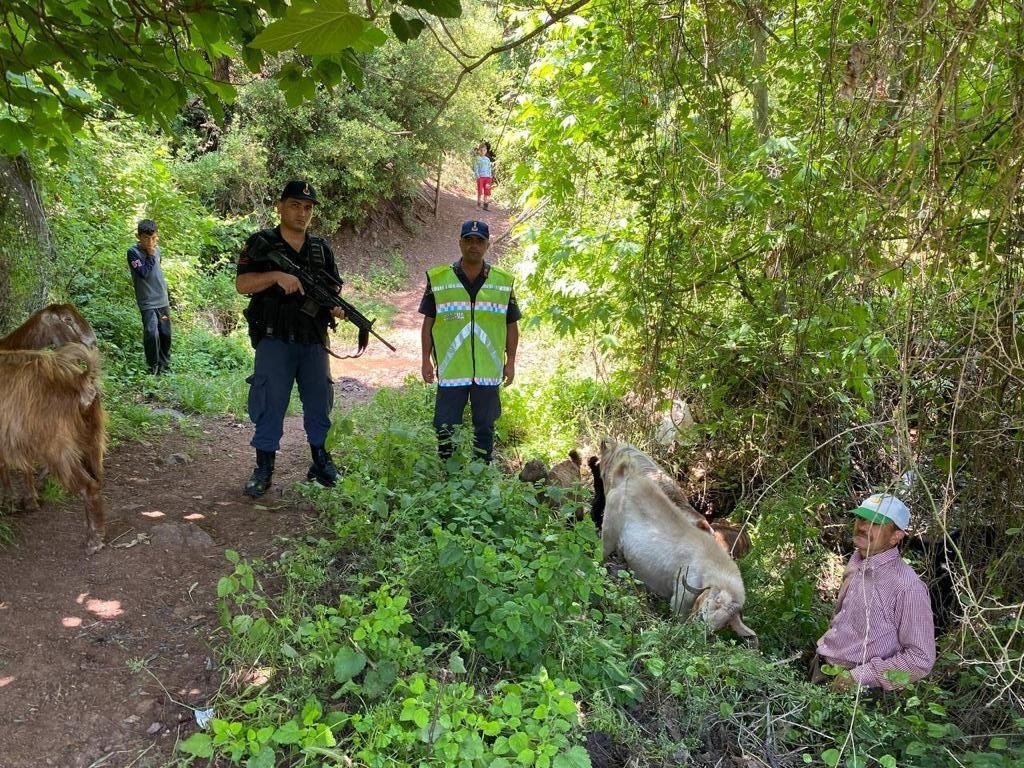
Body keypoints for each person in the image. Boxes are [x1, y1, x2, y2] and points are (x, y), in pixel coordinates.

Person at [236, 180, 345, 497]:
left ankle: (321, 461)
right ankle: (264, 468)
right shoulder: (260, 244)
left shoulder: (321, 249)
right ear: (280, 206)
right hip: (274, 339)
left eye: (308, 207)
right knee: (270, 401)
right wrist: (276, 276)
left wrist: (334, 306)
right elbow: (242, 284)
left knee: (318, 402)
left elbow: (333, 289)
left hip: (312, 339)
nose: (302, 212)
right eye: (295, 205)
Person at [419, 219, 520, 464]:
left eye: (479, 241)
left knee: (485, 426)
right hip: (452, 369)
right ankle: (448, 472)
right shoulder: (440, 279)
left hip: (487, 369)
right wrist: (425, 360)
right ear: (460, 243)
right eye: (469, 240)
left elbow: (511, 325)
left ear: (487, 245)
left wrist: (511, 362)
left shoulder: (502, 282)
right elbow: (428, 323)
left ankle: (481, 472)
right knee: (444, 425)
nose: (473, 245)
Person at [812, 493, 936, 691]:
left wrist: (857, 678)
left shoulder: (907, 587)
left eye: (876, 523)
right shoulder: (857, 560)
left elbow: (921, 659)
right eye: (862, 518)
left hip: (862, 693)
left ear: (896, 536)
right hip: (823, 667)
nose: (863, 527)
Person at [126, 219, 172, 375]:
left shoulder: (158, 250)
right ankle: (152, 367)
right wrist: (151, 256)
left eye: (153, 238)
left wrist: (153, 254)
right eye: (146, 238)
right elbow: (143, 273)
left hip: (162, 300)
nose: (150, 242)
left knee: (165, 333)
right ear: (138, 237)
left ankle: (165, 365)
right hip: (147, 302)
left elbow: (157, 271)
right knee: (152, 333)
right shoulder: (133, 252)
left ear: (157, 236)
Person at [473, 144, 493, 210]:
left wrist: (490, 175)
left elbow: (489, 168)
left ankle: (485, 205)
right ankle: (478, 204)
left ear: (486, 151)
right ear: (479, 151)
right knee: (480, 191)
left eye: (484, 150)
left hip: (487, 178)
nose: (482, 152)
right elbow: (476, 168)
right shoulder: (477, 159)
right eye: (481, 150)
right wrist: (477, 176)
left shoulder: (487, 159)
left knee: (486, 191)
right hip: (481, 177)